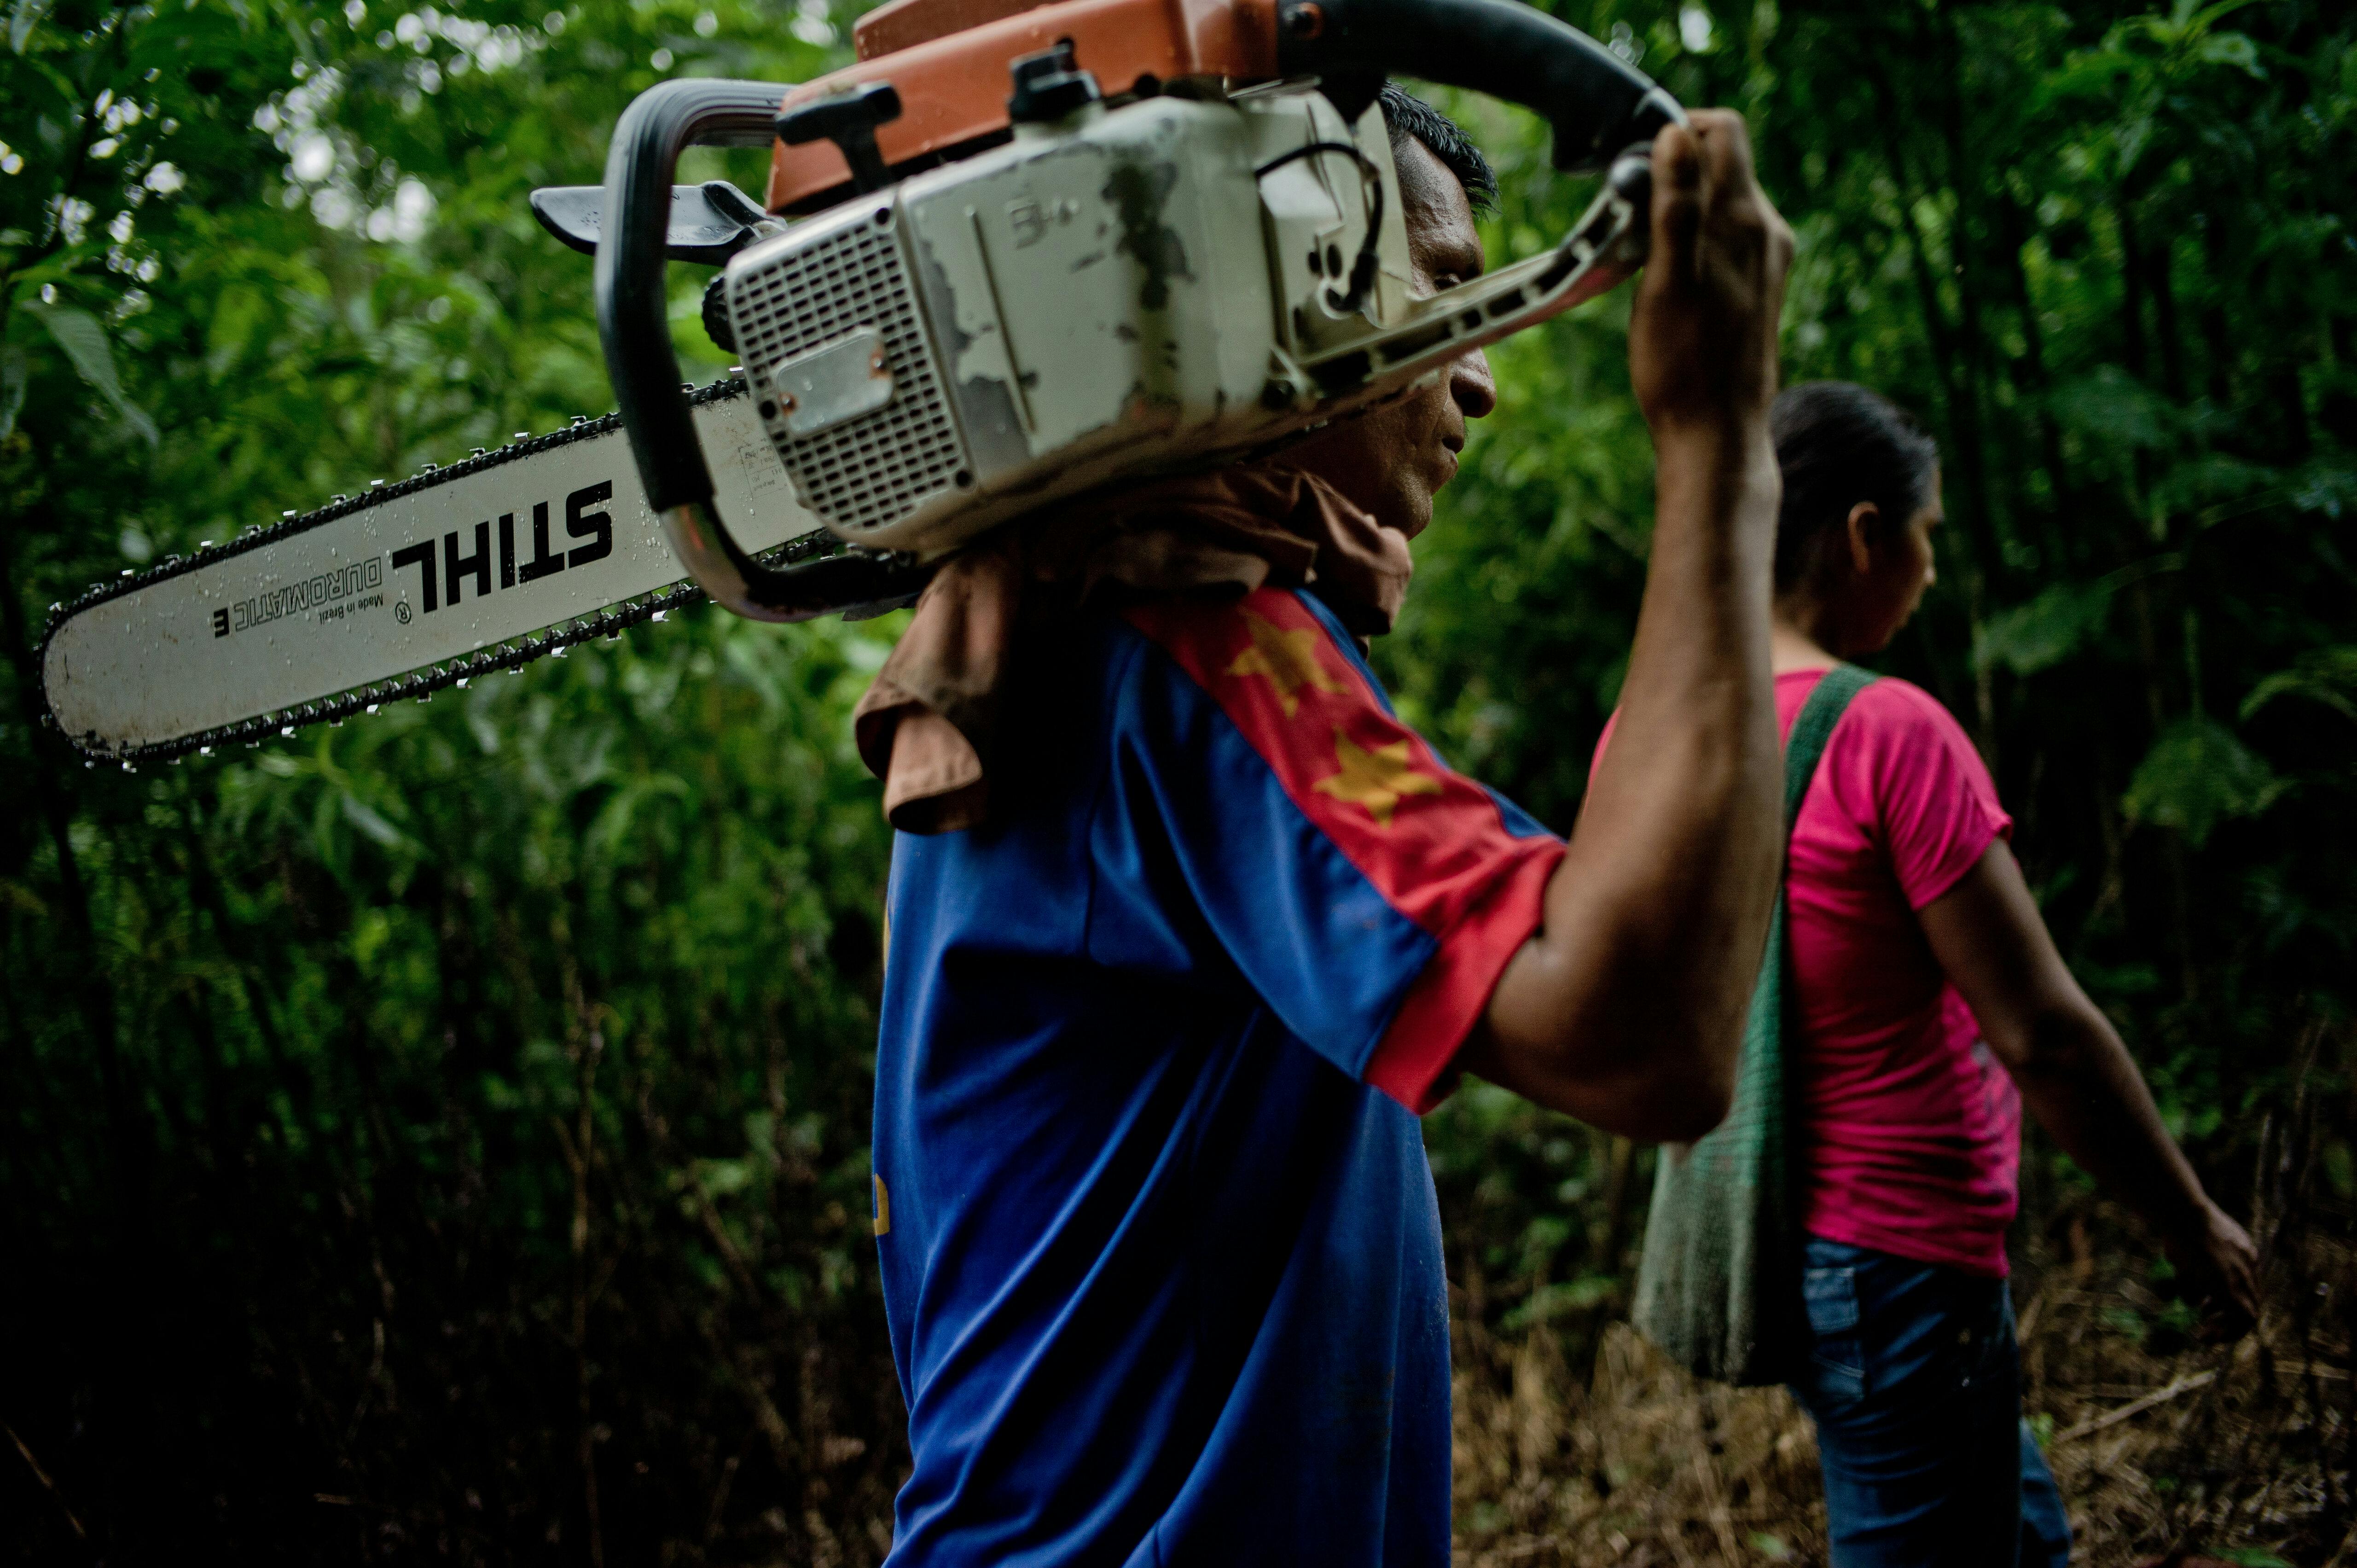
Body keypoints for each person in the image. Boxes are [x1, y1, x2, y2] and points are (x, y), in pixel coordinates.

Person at [853, 87, 1795, 1565]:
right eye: (1444, 288)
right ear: (1281, 275)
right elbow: (1642, 1033)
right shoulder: (1201, 641)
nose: (1480, 376)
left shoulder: (1047, 621)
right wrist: (1723, 443)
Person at [1753, 381, 2262, 1566]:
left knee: (2018, 1533)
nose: (1932, 570)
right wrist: (2189, 1224)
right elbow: (2041, 1032)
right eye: (1925, 536)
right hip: (1898, 1262)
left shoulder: (1655, 733)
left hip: (1783, 1241)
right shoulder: (1884, 731)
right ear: (1864, 535)